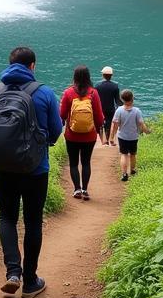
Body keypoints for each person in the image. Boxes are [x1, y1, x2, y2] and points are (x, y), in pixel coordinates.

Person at [0, 45, 61, 298]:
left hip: (2, 167)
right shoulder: (44, 93)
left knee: (7, 218)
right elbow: (57, 130)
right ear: (32, 66)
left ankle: (12, 273)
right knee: (33, 221)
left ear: (9, 64)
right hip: (36, 168)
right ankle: (30, 281)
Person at [60, 65, 104, 201]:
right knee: (86, 162)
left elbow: (61, 114)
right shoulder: (93, 93)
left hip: (71, 135)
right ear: (88, 76)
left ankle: (76, 189)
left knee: (73, 163)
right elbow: (99, 116)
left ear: (75, 77)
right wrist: (97, 130)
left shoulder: (68, 93)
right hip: (89, 135)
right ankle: (85, 189)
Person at [110, 89, 151, 181]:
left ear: (122, 99)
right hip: (133, 137)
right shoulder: (137, 111)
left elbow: (115, 124)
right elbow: (141, 124)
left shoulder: (119, 110)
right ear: (132, 99)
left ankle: (124, 174)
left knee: (124, 155)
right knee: (133, 154)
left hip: (122, 137)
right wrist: (147, 131)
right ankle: (132, 170)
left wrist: (112, 137)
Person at [94, 66, 121, 146]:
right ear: (111, 75)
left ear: (103, 75)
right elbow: (117, 101)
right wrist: (125, 104)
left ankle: (103, 141)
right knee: (108, 124)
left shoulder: (97, 86)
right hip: (111, 109)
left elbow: (95, 99)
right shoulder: (115, 86)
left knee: (100, 124)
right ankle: (108, 139)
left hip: (100, 108)